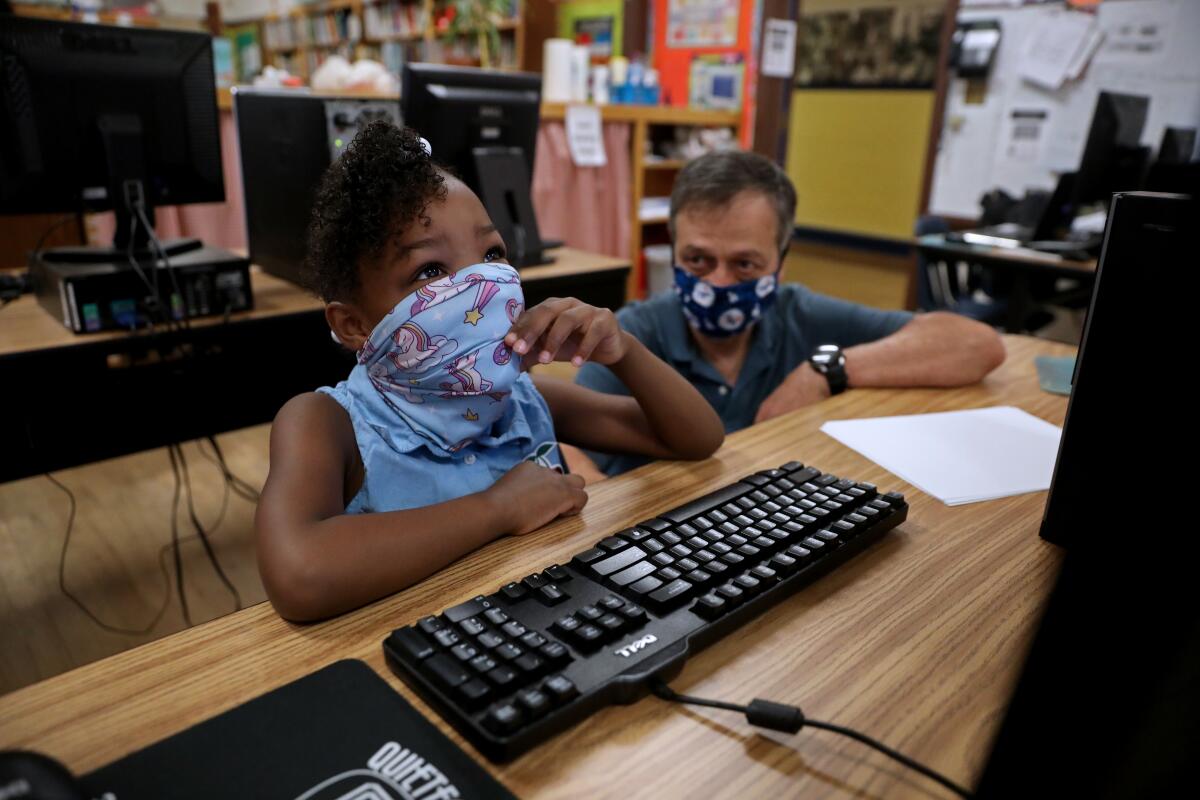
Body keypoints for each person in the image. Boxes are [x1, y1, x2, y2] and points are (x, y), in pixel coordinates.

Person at [255, 123, 724, 621]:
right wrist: (496, 509)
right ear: (352, 324)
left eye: (492, 254)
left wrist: (624, 350)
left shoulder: (521, 398)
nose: (482, 282)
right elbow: (299, 573)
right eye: (430, 271)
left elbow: (698, 438)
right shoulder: (326, 422)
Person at [573, 151, 1006, 477]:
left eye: (745, 264)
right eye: (699, 260)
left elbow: (976, 344)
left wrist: (827, 369)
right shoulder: (629, 337)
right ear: (673, 251)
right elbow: (567, 452)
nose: (720, 284)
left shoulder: (798, 312)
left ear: (782, 259)